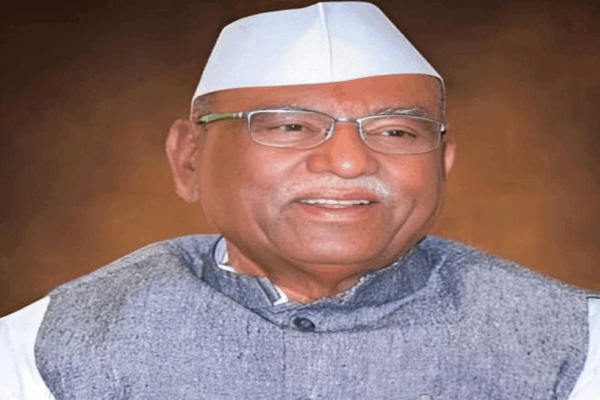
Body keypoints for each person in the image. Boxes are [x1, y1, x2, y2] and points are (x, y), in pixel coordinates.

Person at [1, 2, 598, 399]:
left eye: (396, 131)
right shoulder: (49, 347)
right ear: (189, 158)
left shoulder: (574, 345)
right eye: (289, 126)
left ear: (442, 165)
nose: (349, 161)